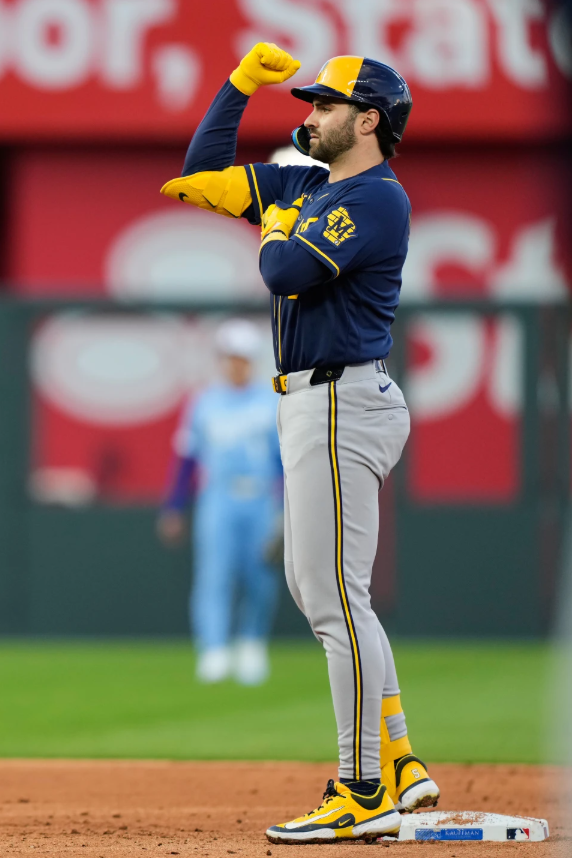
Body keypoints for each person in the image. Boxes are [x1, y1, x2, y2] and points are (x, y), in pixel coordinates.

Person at [160, 44, 440, 843]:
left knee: (332, 600)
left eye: (324, 105)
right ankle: (399, 759)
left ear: (367, 120)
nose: (307, 115)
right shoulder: (309, 184)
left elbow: (284, 271)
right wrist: (239, 84)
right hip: (314, 401)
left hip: (340, 397)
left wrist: (277, 215)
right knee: (327, 595)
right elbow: (200, 175)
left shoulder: (379, 197)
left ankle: (360, 789)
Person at [157, 318, 282, 686]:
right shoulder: (204, 402)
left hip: (261, 497)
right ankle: (213, 649)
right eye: (229, 357)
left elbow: (286, 463)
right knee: (214, 575)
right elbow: (187, 458)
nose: (235, 364)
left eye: (241, 357)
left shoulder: (272, 400)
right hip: (219, 496)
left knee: (262, 576)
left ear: (252, 360)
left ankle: (252, 644)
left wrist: (289, 509)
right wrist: (174, 506)